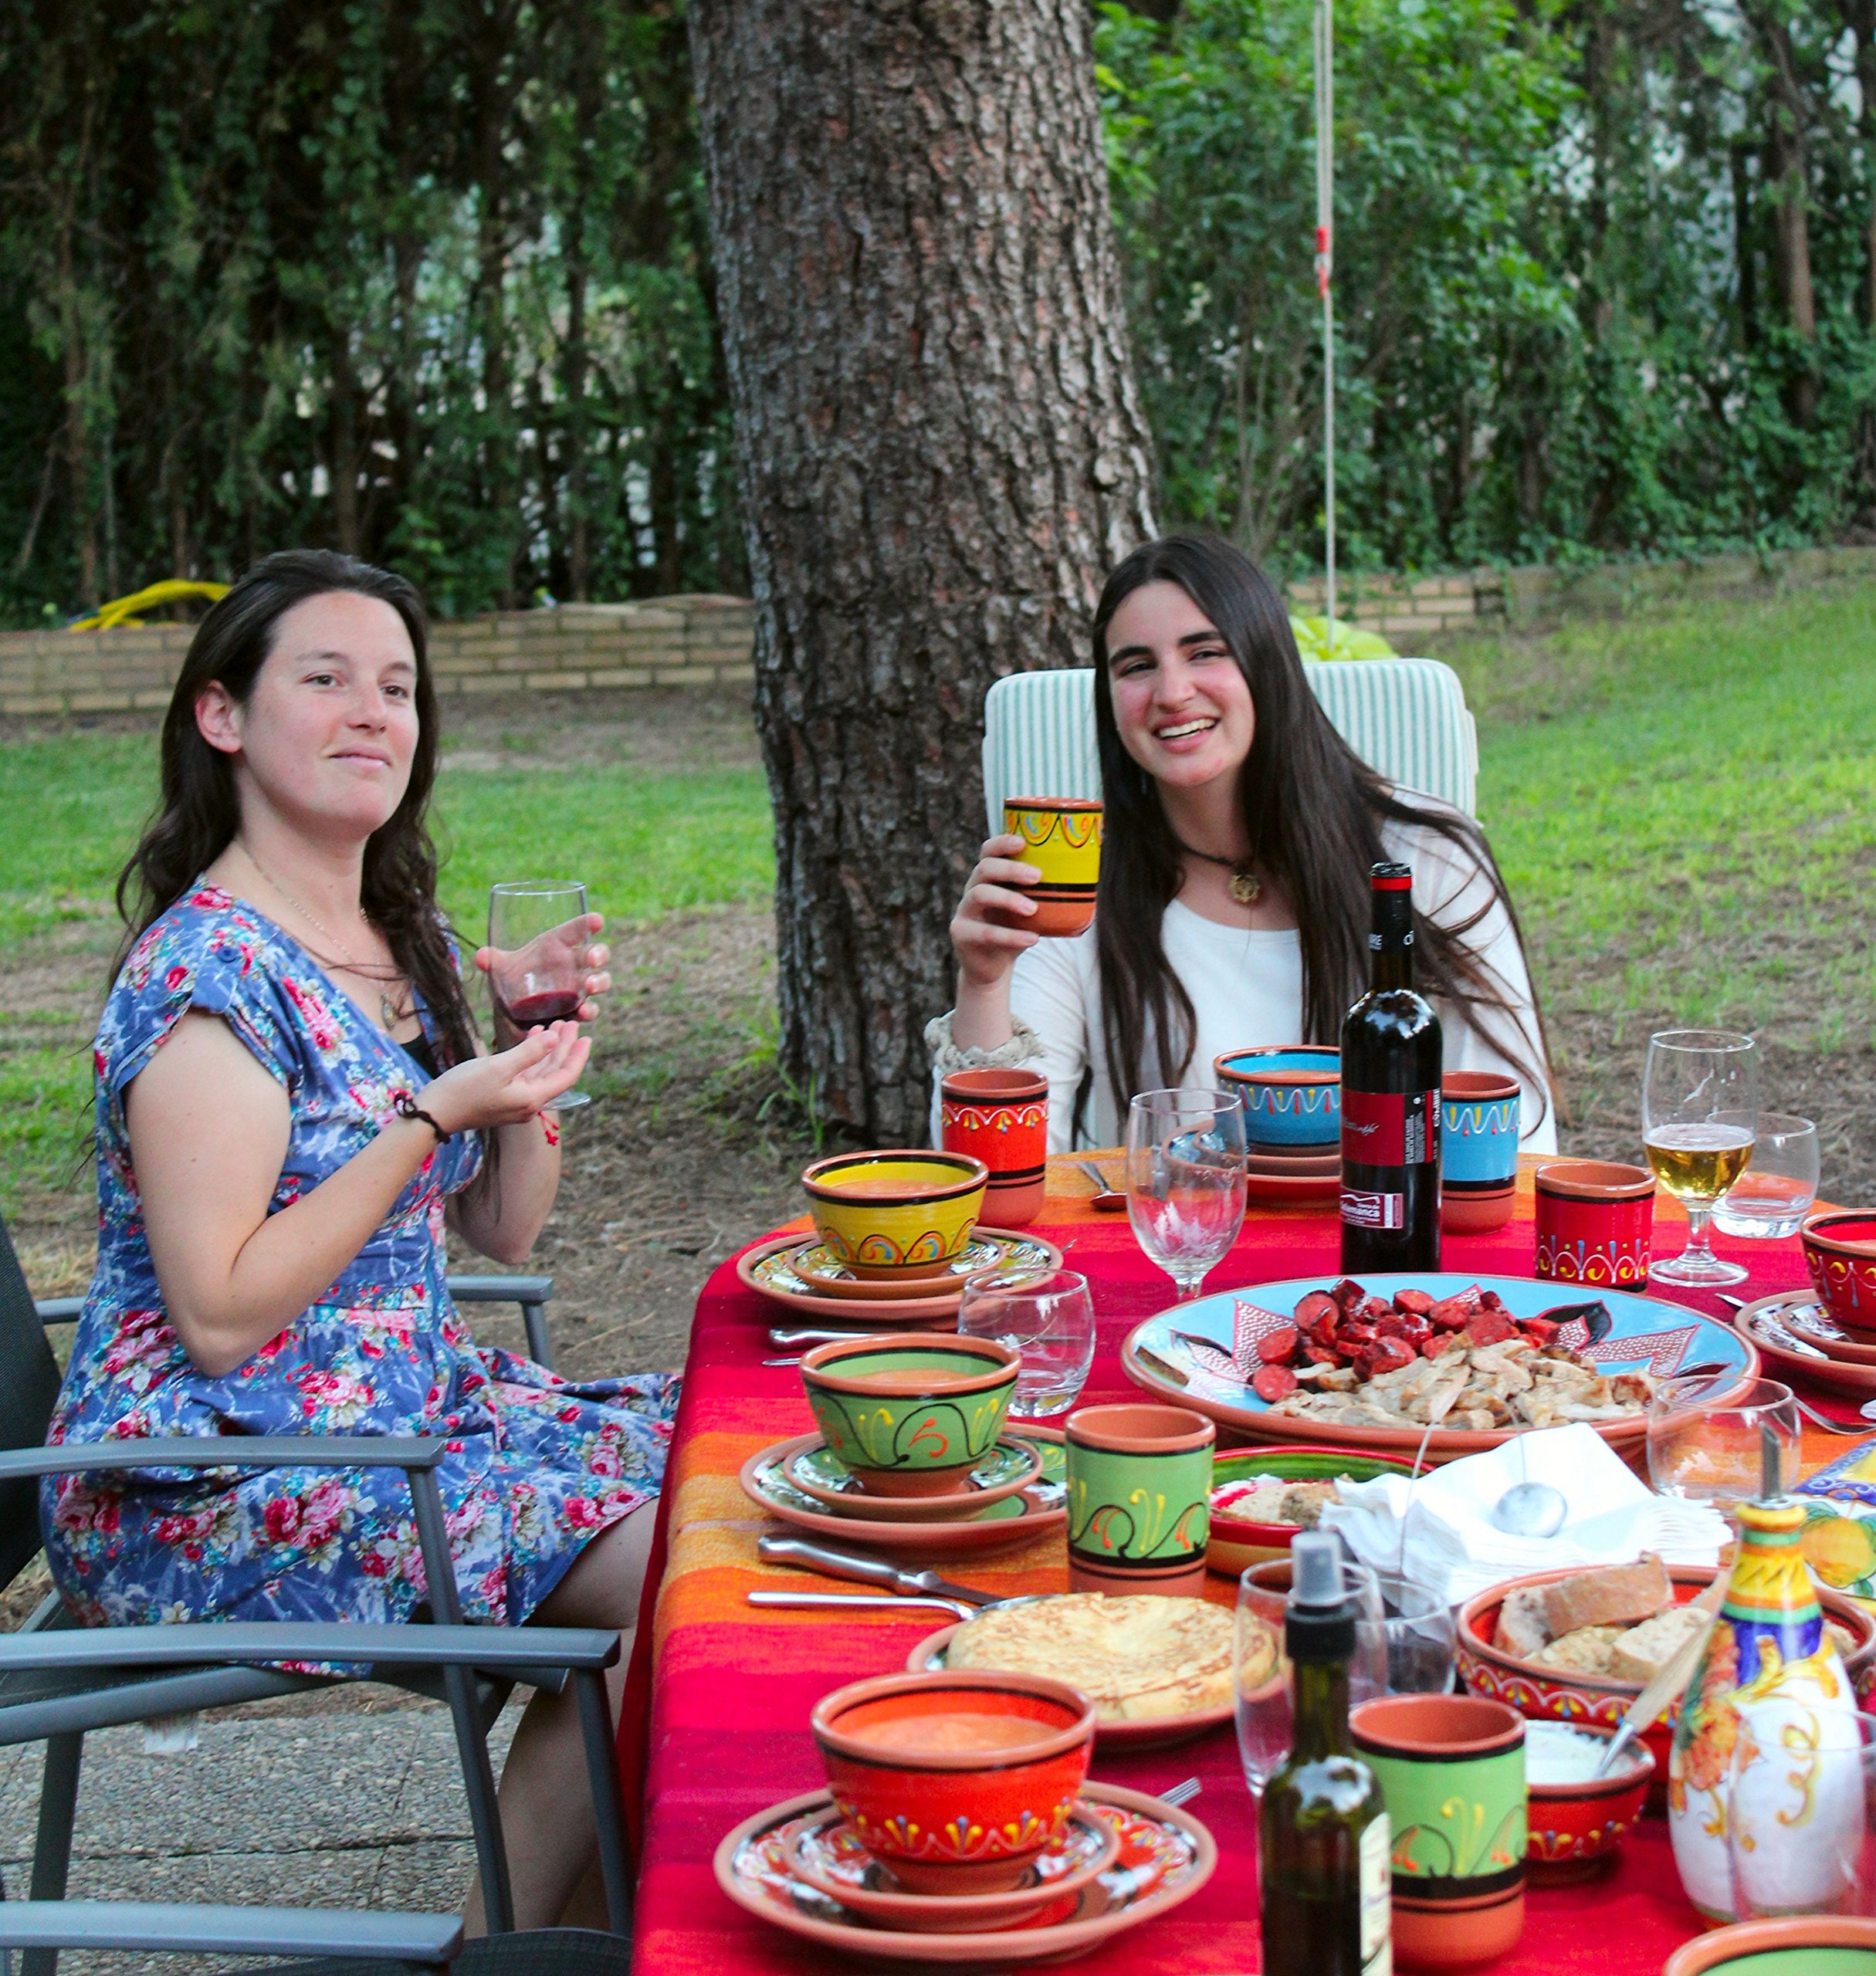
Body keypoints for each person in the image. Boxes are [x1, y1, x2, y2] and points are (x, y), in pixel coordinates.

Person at [40, 550, 676, 1930]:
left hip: (409, 1416)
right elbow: (217, 1314)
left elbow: (496, 1225)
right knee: (689, 1575)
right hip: (210, 1478)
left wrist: (526, 1063)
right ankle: (506, 1945)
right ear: (224, 717)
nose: (373, 713)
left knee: (745, 1470)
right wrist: (422, 1114)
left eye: (396, 687)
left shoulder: (405, 937)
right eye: (323, 680)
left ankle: (577, 1928)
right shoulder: (210, 979)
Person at [928, 534, 1556, 1152]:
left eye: (1205, 652)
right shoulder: (1073, 885)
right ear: (1110, 701)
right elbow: (995, 1195)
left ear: (1266, 665)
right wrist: (984, 987)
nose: (1172, 693)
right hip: (1179, 1254)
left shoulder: (1426, 856)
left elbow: (1514, 1144)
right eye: (1138, 666)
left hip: (1387, 1249)